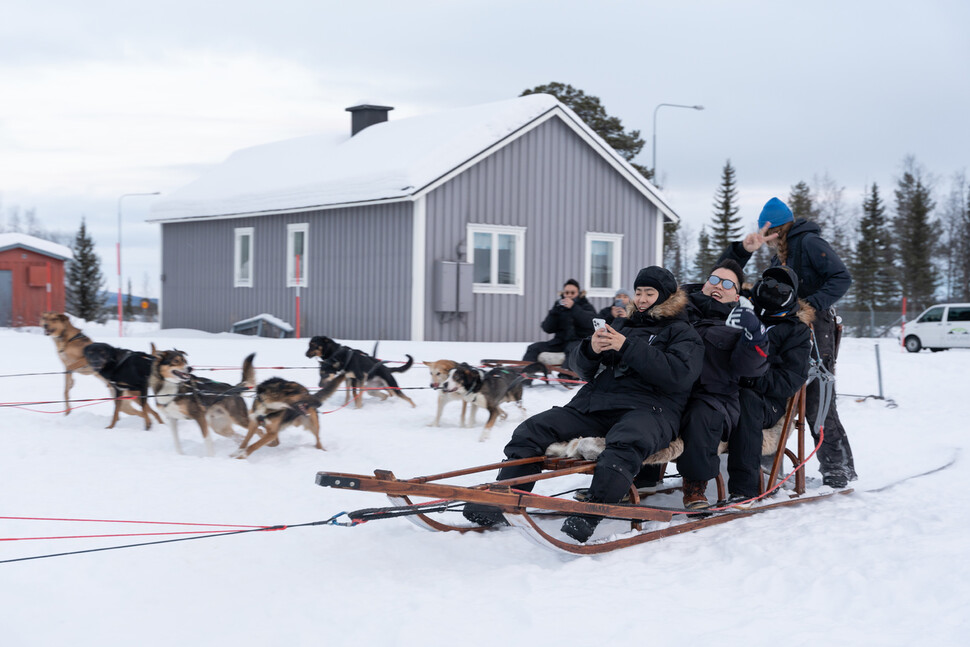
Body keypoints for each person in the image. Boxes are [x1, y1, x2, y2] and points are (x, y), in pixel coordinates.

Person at [464, 266, 704, 543]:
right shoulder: (622, 324)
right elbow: (582, 370)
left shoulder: (683, 333)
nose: (641, 298)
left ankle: (591, 510)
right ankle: (504, 497)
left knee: (627, 440)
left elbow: (678, 376)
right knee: (533, 429)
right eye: (638, 292)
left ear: (666, 297)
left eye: (649, 293)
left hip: (652, 409)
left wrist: (628, 347)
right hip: (596, 405)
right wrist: (590, 349)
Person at [720, 197, 856, 488]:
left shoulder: (808, 243)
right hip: (791, 327)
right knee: (777, 394)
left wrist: (808, 305)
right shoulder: (779, 256)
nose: (767, 238)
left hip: (816, 328)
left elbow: (841, 278)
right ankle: (769, 464)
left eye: (769, 231)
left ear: (779, 228)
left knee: (818, 400)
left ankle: (838, 466)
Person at [673, 259, 770, 509]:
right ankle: (631, 476)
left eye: (728, 284)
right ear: (705, 284)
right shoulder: (678, 309)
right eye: (714, 279)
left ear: (736, 296)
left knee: (701, 415)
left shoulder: (740, 325)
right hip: (670, 389)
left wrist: (754, 336)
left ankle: (695, 484)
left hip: (714, 397)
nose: (718, 286)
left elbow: (750, 367)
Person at [727, 266, 813, 502]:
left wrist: (750, 378)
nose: (774, 290)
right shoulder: (740, 312)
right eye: (769, 283)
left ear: (791, 294)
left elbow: (789, 380)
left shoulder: (797, 332)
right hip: (725, 388)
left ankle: (744, 488)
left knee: (747, 400)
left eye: (782, 287)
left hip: (768, 402)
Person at [521, 278, 596, 370]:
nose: (569, 295)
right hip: (560, 342)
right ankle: (525, 375)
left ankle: (566, 375)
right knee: (533, 348)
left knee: (573, 349)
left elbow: (590, 323)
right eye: (567, 293)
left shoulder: (586, 306)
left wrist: (574, 307)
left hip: (578, 342)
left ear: (579, 293)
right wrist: (554, 312)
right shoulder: (559, 307)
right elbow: (547, 328)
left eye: (572, 293)